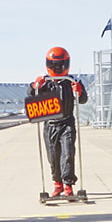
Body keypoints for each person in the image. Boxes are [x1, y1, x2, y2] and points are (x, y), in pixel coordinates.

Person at [28, 46, 88, 197]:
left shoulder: (72, 81)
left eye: (59, 65)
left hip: (67, 123)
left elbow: (83, 99)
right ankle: (57, 184)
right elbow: (31, 94)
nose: (56, 68)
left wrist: (79, 91)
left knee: (68, 153)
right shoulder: (45, 83)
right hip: (50, 125)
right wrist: (36, 86)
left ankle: (68, 184)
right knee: (53, 156)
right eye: (53, 65)